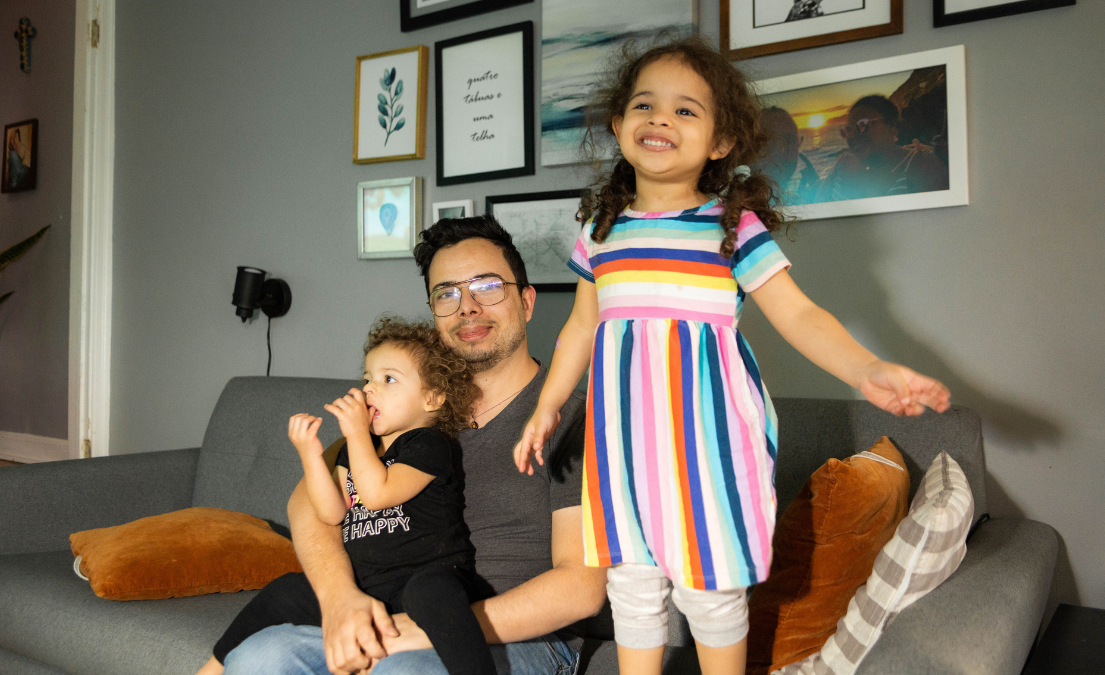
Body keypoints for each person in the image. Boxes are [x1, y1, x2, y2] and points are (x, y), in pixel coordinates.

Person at [512, 38, 951, 675]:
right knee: (633, 588)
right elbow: (580, 327)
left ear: (720, 142)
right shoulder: (601, 232)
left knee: (711, 591)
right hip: (623, 450)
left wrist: (868, 368)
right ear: (618, 126)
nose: (661, 119)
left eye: (686, 111)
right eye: (645, 105)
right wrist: (547, 407)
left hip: (708, 448)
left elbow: (798, 313)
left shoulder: (731, 226)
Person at [221, 215, 604, 675]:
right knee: (257, 658)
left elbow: (581, 586)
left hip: (520, 640)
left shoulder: (570, 417)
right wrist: (340, 599)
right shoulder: (407, 408)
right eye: (447, 293)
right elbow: (308, 500)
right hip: (388, 614)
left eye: (487, 287)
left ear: (526, 302)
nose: (467, 307)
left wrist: (420, 630)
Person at [196, 317, 495, 675]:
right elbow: (331, 512)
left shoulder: (428, 445)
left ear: (432, 398)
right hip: (366, 587)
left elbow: (377, 494)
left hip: (425, 576)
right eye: (367, 378)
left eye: (389, 379)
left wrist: (354, 434)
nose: (369, 389)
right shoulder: (356, 449)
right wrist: (309, 453)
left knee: (436, 598)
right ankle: (211, 668)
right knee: (286, 590)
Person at [815, 94, 948, 202]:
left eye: (863, 125)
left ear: (892, 126)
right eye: (847, 130)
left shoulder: (922, 167)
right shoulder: (841, 165)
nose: (853, 136)